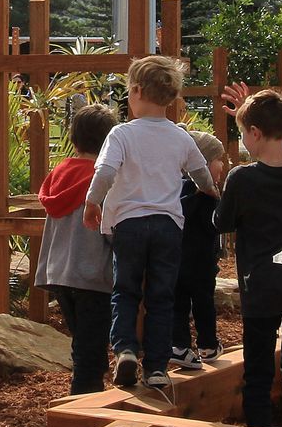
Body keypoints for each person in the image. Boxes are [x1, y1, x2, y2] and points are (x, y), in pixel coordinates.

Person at [84, 55, 217, 392]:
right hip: (168, 227)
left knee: (125, 291)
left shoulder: (121, 134)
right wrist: (210, 190)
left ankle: (126, 349)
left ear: (137, 91)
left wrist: (92, 201)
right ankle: (157, 367)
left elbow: (105, 172)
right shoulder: (180, 137)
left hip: (128, 224)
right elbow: (201, 172)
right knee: (161, 296)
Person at [214, 87, 282, 427]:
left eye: (244, 131)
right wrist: (260, 114)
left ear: (255, 134)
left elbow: (222, 222)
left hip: (260, 286)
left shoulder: (242, 178)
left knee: (258, 369)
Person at [35, 103, 118, 394]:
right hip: (93, 275)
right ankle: (83, 409)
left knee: (83, 343)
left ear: (73, 139)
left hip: (60, 273)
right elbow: (110, 229)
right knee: (89, 351)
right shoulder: (103, 180)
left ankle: (87, 393)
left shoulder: (58, 174)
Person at [171, 128, 227, 369]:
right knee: (203, 302)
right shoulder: (206, 196)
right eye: (218, 160)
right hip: (200, 263)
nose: (223, 166)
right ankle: (207, 344)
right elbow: (215, 225)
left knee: (180, 303)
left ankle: (180, 345)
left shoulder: (175, 190)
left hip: (178, 262)